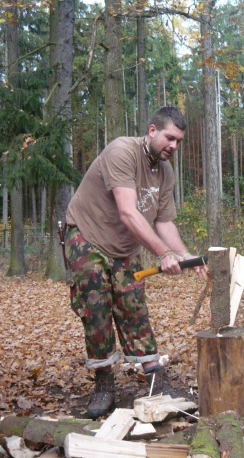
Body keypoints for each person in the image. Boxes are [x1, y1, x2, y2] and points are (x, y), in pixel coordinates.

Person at [65, 106, 206, 419]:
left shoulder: (165, 173)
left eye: (179, 141)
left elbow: (164, 223)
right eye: (170, 137)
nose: (174, 146)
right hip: (87, 236)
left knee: (133, 306)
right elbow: (128, 212)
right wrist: (163, 254)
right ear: (152, 130)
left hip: (124, 246)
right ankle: (104, 385)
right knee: (97, 307)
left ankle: (156, 379)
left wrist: (184, 255)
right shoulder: (122, 152)